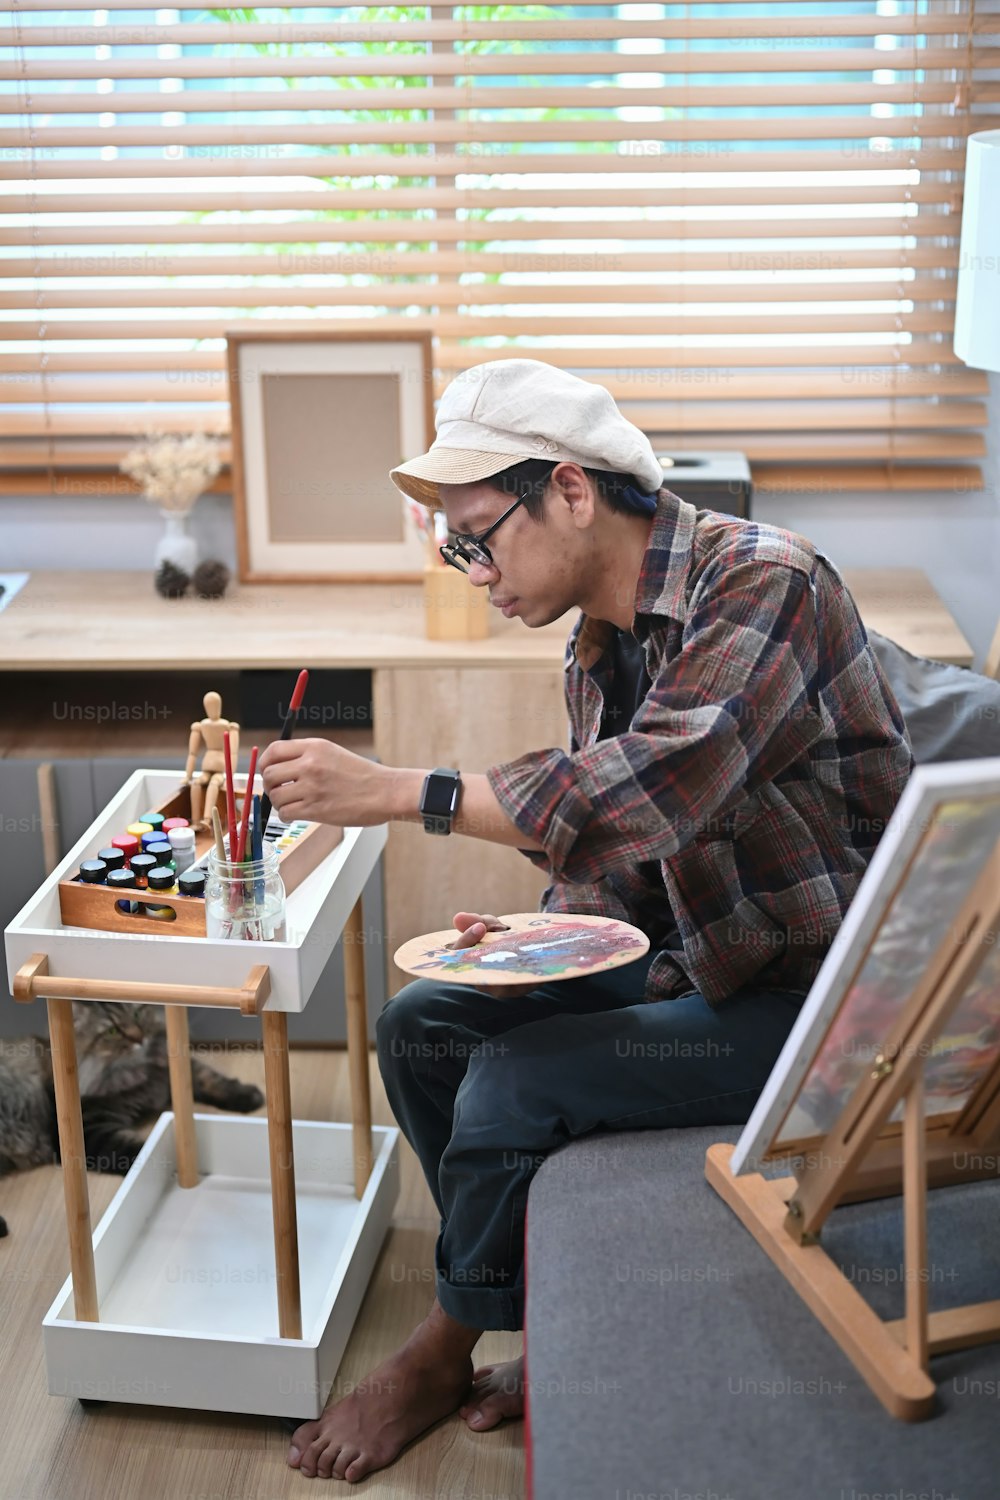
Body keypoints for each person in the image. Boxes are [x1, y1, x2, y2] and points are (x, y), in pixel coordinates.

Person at [257, 358, 913, 1483]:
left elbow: (656, 788)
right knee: (427, 1026)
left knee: (518, 1083)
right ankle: (537, 1319)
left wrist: (403, 791)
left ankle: (437, 1350)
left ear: (569, 490)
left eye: (476, 537)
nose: (469, 571)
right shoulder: (599, 642)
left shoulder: (767, 585)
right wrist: (545, 938)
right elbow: (622, 867)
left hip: (825, 1006)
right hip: (699, 964)